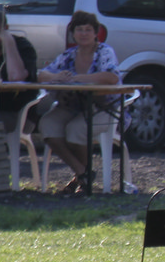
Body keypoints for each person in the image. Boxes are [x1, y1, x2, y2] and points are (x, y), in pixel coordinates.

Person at [37, 10, 122, 194]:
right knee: (47, 124)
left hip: (102, 106)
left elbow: (111, 77)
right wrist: (56, 76)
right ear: (73, 33)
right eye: (79, 30)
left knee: (76, 129)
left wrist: (79, 78)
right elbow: (42, 75)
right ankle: (83, 172)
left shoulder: (105, 52)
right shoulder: (68, 55)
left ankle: (81, 179)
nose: (83, 34)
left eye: (88, 30)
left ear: (96, 33)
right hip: (72, 104)